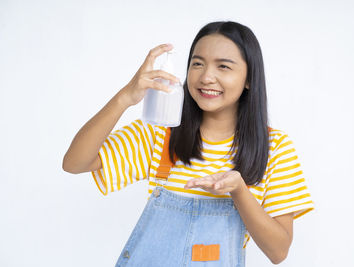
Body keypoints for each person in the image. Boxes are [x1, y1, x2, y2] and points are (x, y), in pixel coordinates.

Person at [63, 21, 315, 266]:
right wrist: (125, 98)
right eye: (197, 64)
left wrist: (239, 190)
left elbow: (278, 251)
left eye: (223, 67)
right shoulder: (161, 132)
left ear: (249, 79)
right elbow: (74, 163)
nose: (206, 77)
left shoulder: (274, 148)